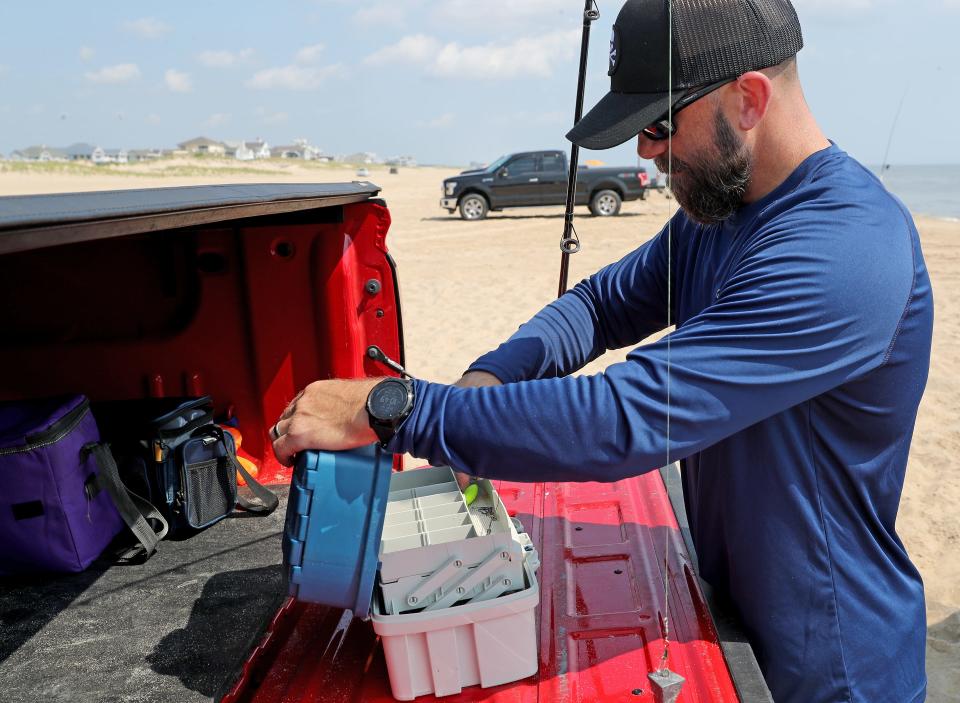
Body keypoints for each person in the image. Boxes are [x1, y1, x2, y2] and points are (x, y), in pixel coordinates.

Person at [270, 0, 932, 700]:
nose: (643, 151)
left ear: (749, 98)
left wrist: (394, 408)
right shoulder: (719, 217)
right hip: (734, 617)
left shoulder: (846, 251)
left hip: (833, 669)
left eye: (658, 123)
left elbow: (624, 417)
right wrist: (487, 380)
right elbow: (599, 305)